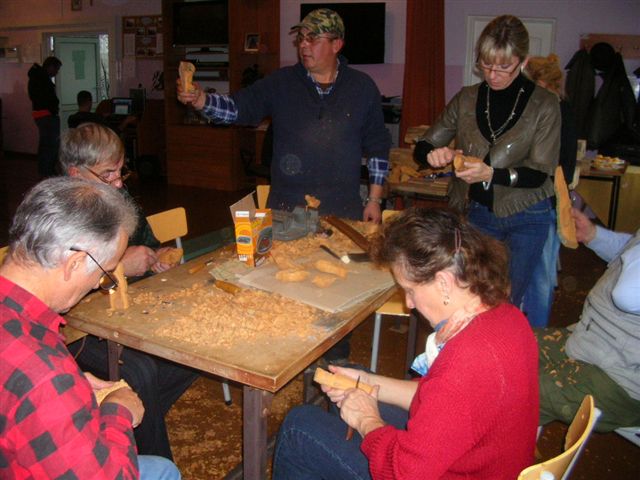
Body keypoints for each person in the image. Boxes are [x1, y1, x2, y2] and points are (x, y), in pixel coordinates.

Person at [273, 208, 539, 479]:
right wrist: (364, 381)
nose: (408, 303)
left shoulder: (467, 360)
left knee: (300, 426)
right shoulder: (506, 316)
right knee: (353, 384)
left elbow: (402, 473)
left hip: (439, 472)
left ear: (444, 283)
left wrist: (368, 421)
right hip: (474, 459)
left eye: (410, 290)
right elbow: (436, 398)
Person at [0, 176, 180, 479]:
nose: (98, 283)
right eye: (104, 273)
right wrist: (118, 411)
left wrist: (73, 386)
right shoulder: (44, 372)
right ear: (73, 263)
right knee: (164, 472)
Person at [59, 122, 198, 459]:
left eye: (121, 171)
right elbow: (64, 293)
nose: (119, 183)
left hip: (130, 308)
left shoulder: (117, 197)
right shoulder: (58, 213)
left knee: (194, 343)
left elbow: (148, 244)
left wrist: (157, 256)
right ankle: (149, 457)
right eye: (108, 174)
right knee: (140, 370)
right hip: (78, 328)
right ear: (76, 172)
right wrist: (120, 266)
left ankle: (129, 417)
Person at [177, 8, 391, 223]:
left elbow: (378, 147)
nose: (303, 45)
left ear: (336, 45)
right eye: (301, 38)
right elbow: (238, 108)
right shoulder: (280, 83)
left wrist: (374, 199)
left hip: (343, 209)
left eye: (312, 38)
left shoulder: (362, 87)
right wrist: (201, 100)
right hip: (287, 210)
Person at [414, 15, 561, 311]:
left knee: (511, 298)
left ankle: (509, 355)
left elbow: (541, 174)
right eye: (486, 65)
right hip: (479, 213)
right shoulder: (467, 98)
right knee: (475, 296)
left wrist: (491, 173)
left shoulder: (545, 103)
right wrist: (433, 154)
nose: (493, 75)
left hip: (528, 214)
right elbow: (425, 145)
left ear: (523, 60)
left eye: (504, 67)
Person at [537, 208, 640, 432]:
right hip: (588, 340)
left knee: (518, 392)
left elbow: (627, 294)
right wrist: (594, 235)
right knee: (506, 347)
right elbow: (630, 250)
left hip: (620, 378)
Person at [521, 54, 578, 327]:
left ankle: (536, 337)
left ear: (541, 82)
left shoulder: (556, 111)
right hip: (540, 200)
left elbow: (560, 166)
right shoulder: (557, 108)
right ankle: (528, 334)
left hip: (543, 201)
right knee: (535, 276)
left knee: (540, 278)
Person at [28, 56, 62, 177]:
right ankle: (48, 172)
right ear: (50, 67)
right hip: (47, 115)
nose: (56, 73)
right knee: (51, 145)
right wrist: (53, 107)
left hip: (40, 114)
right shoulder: (42, 79)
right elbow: (46, 98)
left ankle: (44, 171)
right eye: (56, 69)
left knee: (45, 144)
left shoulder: (36, 77)